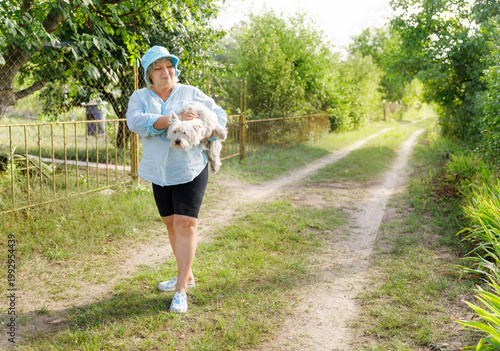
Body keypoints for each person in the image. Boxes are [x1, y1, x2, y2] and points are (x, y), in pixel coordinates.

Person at [126, 46, 227, 313]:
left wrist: (206, 133)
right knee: (171, 225)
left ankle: (181, 290)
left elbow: (220, 117)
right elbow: (135, 122)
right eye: (158, 68)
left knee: (186, 225)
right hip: (159, 171)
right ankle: (187, 275)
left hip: (190, 168)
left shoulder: (191, 92)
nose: (165, 72)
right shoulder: (140, 97)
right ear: (149, 73)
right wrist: (174, 119)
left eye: (169, 66)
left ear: (175, 69)